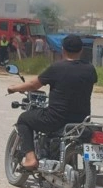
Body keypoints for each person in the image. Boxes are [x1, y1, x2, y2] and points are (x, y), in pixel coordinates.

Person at [7, 35, 96, 170]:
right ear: (81, 50)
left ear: (63, 50)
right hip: (81, 120)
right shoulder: (90, 69)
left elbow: (33, 85)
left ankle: (31, 159)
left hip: (56, 119)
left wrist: (13, 88)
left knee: (24, 119)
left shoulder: (57, 67)